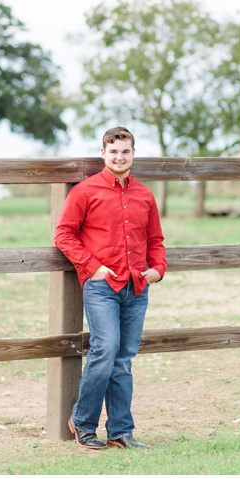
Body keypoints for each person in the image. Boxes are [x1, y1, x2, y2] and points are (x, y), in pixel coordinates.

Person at [55, 126, 167, 450]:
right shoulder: (85, 191)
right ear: (103, 153)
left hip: (137, 286)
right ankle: (82, 422)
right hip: (101, 285)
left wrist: (158, 269)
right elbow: (63, 234)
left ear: (133, 154)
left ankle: (120, 432)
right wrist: (94, 267)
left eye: (126, 151)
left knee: (123, 359)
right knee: (105, 351)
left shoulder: (145, 195)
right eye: (113, 151)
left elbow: (156, 240)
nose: (120, 157)